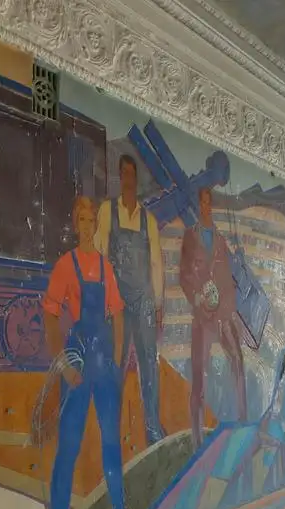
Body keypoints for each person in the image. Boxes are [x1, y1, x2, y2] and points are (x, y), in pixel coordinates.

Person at [42, 196, 132, 509]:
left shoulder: (106, 268)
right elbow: (49, 316)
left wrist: (118, 361)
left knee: (111, 441)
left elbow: (119, 314)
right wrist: (64, 367)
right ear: (74, 223)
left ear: (96, 225)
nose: (85, 226)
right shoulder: (66, 265)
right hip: (78, 368)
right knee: (68, 450)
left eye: (90, 220)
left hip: (104, 367)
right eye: (80, 219)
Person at [95, 154, 166, 445]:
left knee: (149, 361)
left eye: (132, 174)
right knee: (118, 361)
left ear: (136, 179)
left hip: (145, 299)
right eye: (124, 173)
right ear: (119, 177)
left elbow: (156, 263)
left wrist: (158, 303)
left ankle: (152, 427)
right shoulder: (106, 211)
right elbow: (100, 255)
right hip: (118, 300)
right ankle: (110, 425)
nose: (128, 179)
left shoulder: (149, 220)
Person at [179, 186, 247, 449]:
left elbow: (227, 280)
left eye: (209, 203)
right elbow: (184, 276)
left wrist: (228, 314)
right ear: (199, 206)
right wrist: (198, 298)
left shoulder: (219, 239)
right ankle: (197, 440)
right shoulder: (190, 237)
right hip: (202, 318)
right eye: (202, 203)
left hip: (223, 316)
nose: (206, 207)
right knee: (199, 376)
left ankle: (243, 422)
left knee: (238, 361)